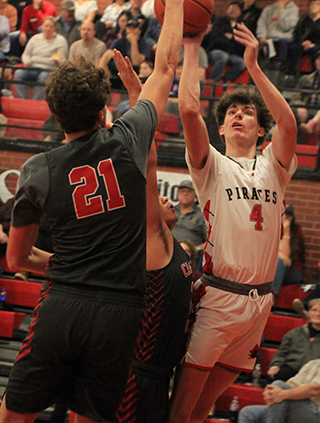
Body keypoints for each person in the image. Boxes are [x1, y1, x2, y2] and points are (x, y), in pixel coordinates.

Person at [0, 0, 184, 421]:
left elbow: (17, 259)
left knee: (14, 416)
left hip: (64, 302)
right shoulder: (129, 136)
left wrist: (71, 266)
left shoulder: (37, 170)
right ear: (104, 110)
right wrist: (174, 7)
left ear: (55, 113)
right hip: (121, 314)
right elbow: (166, 65)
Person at [168, 22, 297, 423]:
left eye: (249, 112)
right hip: (218, 299)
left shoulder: (275, 166)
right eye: (232, 113)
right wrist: (192, 46)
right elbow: (189, 109)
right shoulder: (213, 166)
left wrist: (255, 69)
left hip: (259, 303)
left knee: (204, 410)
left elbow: (289, 124)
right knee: (181, 410)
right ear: (221, 128)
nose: (240, 115)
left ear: (261, 129)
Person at [111, 50, 193, 423]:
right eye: (158, 198)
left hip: (161, 377)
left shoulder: (180, 247)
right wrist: (137, 95)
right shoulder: (152, 240)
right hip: (136, 376)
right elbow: (148, 161)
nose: (165, 198)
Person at [238, 358, 320, 423]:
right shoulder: (313, 363)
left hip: (316, 413)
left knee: (279, 385)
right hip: (297, 409)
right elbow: (290, 385)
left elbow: (315, 389)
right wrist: (272, 392)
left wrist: (282, 394)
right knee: (248, 413)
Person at [266, 298, 320, 384]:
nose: (318, 314)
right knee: (274, 377)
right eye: (314, 310)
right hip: (292, 368)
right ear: (308, 312)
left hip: (314, 373)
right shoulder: (294, 333)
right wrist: (275, 365)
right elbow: (281, 353)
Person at [13, 16, 68, 100]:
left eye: (51, 26)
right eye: (46, 26)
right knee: (18, 74)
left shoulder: (60, 41)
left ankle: (36, 102)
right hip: (32, 67)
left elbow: (62, 58)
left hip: (48, 69)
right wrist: (27, 62)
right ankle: (23, 100)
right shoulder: (35, 38)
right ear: (42, 27)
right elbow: (26, 54)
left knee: (44, 78)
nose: (48, 29)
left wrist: (57, 61)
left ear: (55, 28)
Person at [206, 1, 246, 82]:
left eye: (235, 9)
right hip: (216, 51)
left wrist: (231, 38)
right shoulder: (219, 22)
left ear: (240, 12)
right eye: (231, 8)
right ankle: (212, 81)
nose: (232, 11)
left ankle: (223, 80)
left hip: (232, 53)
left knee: (242, 63)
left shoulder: (241, 26)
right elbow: (217, 39)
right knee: (223, 57)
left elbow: (241, 44)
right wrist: (233, 41)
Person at [272, 203, 305, 297]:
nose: (285, 218)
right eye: (283, 214)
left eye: (288, 215)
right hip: (271, 268)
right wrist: (279, 254)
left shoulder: (296, 232)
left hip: (290, 271)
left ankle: (272, 297)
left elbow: (286, 257)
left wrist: (286, 232)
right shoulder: (270, 229)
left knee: (280, 261)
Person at [290, 51, 320, 144]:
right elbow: (295, 98)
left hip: (317, 110)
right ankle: (295, 146)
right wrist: (301, 107)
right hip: (306, 109)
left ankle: (309, 125)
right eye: (319, 59)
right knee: (291, 113)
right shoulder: (305, 79)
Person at [286, 0, 320, 77]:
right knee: (293, 48)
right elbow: (296, 33)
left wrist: (312, 44)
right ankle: (291, 75)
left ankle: (315, 76)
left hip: (316, 45)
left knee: (315, 50)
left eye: (317, 4)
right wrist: (302, 42)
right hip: (303, 44)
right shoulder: (304, 19)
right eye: (312, 4)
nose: (314, 6)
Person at [172, 180, 207, 252]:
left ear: (195, 195)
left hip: (192, 255)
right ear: (177, 194)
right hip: (169, 252)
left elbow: (210, 242)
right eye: (182, 191)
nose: (185, 194)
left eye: (188, 191)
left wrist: (195, 250)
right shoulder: (170, 211)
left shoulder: (202, 215)